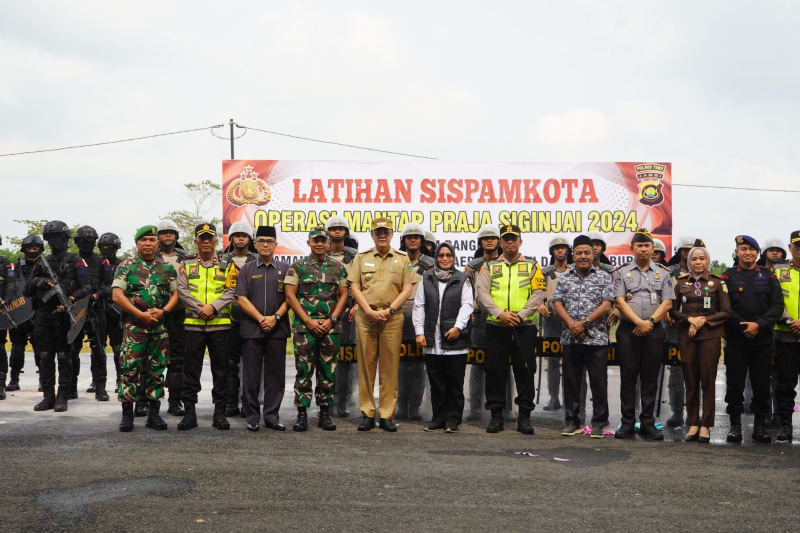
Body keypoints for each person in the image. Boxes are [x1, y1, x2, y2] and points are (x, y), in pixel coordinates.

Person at [476, 224, 546, 435]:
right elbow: (482, 292)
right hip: (497, 325)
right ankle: (496, 416)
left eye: (513, 238)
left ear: (520, 242)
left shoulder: (533, 265)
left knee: (525, 371)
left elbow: (539, 292)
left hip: (524, 326)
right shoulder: (489, 266)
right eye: (506, 238)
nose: (509, 242)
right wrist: (500, 313)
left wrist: (521, 314)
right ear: (500, 242)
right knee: (494, 370)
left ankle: (524, 416)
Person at [347, 217, 415, 432]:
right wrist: (367, 310)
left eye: (386, 232)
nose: (382, 235)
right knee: (366, 367)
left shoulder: (402, 259)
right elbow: (355, 287)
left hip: (392, 318)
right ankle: (367, 413)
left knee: (390, 367)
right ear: (372, 235)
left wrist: (390, 310)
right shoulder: (360, 258)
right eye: (378, 232)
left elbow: (407, 289)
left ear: (392, 234)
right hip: (366, 317)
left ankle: (387, 415)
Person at [112, 225, 179, 432]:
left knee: (157, 371)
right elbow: (117, 295)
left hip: (159, 328)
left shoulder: (167, 268)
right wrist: (139, 314)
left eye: (152, 240)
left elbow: (176, 294)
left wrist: (164, 312)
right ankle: (127, 416)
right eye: (144, 240)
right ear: (137, 243)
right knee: (129, 370)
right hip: (135, 328)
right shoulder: (126, 266)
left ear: (157, 243)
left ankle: (154, 414)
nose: (148, 243)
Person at [284, 227, 349, 432]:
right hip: (305, 328)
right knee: (303, 371)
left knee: (327, 372)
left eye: (323, 240)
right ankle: (302, 414)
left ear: (329, 243)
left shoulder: (338, 267)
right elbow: (290, 296)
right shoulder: (297, 267)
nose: (319, 244)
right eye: (316, 241)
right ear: (309, 243)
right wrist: (308, 321)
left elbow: (343, 295)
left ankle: (325, 414)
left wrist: (331, 320)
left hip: (330, 328)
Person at [612, 229, 674, 440]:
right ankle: (627, 422)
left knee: (650, 377)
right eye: (639, 245)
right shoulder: (621, 272)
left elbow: (667, 302)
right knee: (628, 377)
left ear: (653, 249)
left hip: (654, 330)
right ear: (632, 249)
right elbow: (619, 301)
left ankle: (648, 422)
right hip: (629, 330)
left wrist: (649, 322)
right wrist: (638, 322)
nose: (644, 249)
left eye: (647, 246)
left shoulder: (663, 273)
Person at [721, 235, 783, 443]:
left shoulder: (768, 276)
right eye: (743, 248)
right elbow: (724, 308)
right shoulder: (727, 277)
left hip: (762, 340)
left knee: (761, 386)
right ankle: (735, 427)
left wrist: (759, 325)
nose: (747, 252)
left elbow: (777, 306)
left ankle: (760, 427)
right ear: (736, 252)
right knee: (735, 385)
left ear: (758, 253)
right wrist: (743, 326)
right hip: (736, 341)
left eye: (752, 249)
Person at [24, 220, 90, 413]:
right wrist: (38, 281)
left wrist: (70, 299)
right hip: (43, 314)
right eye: (50, 238)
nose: (53, 241)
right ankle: (48, 396)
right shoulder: (39, 263)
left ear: (64, 239)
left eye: (56, 238)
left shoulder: (75, 261)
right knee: (44, 356)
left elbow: (86, 287)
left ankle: (62, 396)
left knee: (64, 357)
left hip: (64, 315)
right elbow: (27, 290)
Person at [669, 240, 731, 443]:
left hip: (710, 337)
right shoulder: (680, 282)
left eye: (701, 258)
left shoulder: (717, 282)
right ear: (688, 260)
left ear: (707, 260)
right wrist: (689, 320)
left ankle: (706, 425)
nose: (697, 262)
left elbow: (726, 311)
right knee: (691, 381)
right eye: (693, 258)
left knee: (707, 381)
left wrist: (703, 320)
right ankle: (693, 424)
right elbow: (672, 309)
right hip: (687, 337)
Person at [176, 224, 237, 431]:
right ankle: (189, 414)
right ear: (195, 241)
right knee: (191, 370)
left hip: (220, 326)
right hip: (193, 325)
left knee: (221, 371)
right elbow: (182, 291)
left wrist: (213, 307)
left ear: (216, 241)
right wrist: (199, 309)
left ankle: (219, 413)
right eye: (202, 238)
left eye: (210, 238)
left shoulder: (227, 264)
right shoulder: (186, 263)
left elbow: (231, 291)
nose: (206, 242)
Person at [552, 235, 613, 438]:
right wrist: (572, 324)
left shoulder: (603, 276)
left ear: (593, 253)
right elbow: (557, 303)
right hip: (571, 338)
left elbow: (606, 304)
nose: (583, 256)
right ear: (573, 255)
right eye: (579, 253)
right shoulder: (564, 277)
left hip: (596, 339)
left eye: (587, 252)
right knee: (571, 382)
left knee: (598, 383)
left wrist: (584, 323)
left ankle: (598, 422)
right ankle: (572, 421)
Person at [413, 242, 473, 433]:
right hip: (432, 340)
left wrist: (457, 327)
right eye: (441, 255)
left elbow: (467, 306)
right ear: (436, 257)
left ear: (454, 257)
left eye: (448, 255)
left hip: (455, 339)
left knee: (455, 382)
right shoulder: (427, 278)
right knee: (436, 382)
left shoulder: (463, 279)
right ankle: (438, 418)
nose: (444, 259)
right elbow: (419, 306)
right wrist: (419, 332)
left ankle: (453, 420)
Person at [235, 225, 290, 432]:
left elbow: (290, 298)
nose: (265, 244)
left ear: (276, 245)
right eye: (261, 241)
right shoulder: (247, 269)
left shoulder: (285, 269)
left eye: (269, 241)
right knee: (251, 375)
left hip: (278, 329)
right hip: (252, 329)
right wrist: (261, 319)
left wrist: (275, 318)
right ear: (255, 244)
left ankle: (272, 416)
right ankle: (251, 417)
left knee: (276, 376)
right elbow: (241, 298)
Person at [463, 224, 505, 421]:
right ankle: (475, 408)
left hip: (502, 317)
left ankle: (506, 409)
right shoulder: (473, 266)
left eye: (493, 238)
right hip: (478, 318)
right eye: (485, 238)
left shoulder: (506, 262)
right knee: (477, 364)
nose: (489, 241)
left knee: (504, 364)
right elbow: (466, 291)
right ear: (480, 242)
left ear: (499, 241)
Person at [68, 225, 114, 402]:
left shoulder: (102, 262)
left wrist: (96, 295)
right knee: (73, 349)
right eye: (84, 241)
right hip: (76, 310)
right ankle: (71, 387)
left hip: (97, 309)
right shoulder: (72, 260)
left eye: (90, 241)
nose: (87, 244)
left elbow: (111, 285)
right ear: (77, 242)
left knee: (99, 349)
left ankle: (100, 387)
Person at [397, 222, 435, 421]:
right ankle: (401, 405)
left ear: (421, 241)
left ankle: (415, 407)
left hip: (422, 319)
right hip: (398, 318)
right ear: (403, 240)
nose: (412, 240)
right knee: (400, 365)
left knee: (419, 365)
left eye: (416, 237)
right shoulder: (396, 260)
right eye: (409, 237)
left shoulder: (431, 263)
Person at [220, 221, 258, 418]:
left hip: (251, 317)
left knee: (251, 363)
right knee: (231, 362)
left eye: (244, 235)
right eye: (237, 235)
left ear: (250, 239)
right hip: (228, 318)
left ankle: (248, 404)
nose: (241, 238)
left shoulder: (258, 259)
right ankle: (230, 402)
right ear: (232, 238)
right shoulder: (222, 261)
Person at [325, 215, 359, 418]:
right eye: (333, 229)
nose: (337, 232)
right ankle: (327, 401)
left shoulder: (355, 257)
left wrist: (356, 306)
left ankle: (343, 401)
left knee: (346, 361)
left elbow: (360, 283)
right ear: (328, 232)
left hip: (349, 313)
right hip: (326, 312)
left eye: (341, 229)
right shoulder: (320, 252)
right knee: (326, 359)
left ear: (346, 232)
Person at [156, 219, 187, 416]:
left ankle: (175, 401)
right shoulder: (150, 255)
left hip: (179, 314)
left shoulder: (186, 258)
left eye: (171, 232)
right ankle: (146, 400)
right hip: (155, 313)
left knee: (178, 359)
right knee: (152, 357)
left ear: (176, 236)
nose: (168, 235)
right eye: (164, 232)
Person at [538, 236, 572, 412]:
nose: (560, 250)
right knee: (552, 362)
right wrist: (540, 304)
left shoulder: (575, 270)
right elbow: (536, 293)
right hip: (551, 320)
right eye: (557, 248)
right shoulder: (544, 272)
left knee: (570, 361)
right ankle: (553, 398)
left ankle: (569, 398)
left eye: (563, 248)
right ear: (552, 251)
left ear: (567, 250)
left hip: (571, 320)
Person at [7, 236, 44, 393]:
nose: (32, 251)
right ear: (24, 249)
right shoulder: (15, 268)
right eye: (29, 248)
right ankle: (14, 379)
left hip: (37, 313)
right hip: (18, 313)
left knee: (40, 349)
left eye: (35, 249)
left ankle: (44, 379)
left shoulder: (44, 268)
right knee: (16, 347)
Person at [756, 237, 786, 426]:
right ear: (764, 252)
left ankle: (778, 414)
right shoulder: (759, 273)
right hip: (763, 328)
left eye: (778, 250)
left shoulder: (787, 272)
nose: (775, 253)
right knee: (762, 375)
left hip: (784, 330)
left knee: (780, 374)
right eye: (771, 249)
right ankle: (764, 412)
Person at [773, 231, 800, 443]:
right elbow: (774, 301)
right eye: (797, 246)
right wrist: (790, 321)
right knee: (785, 385)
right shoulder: (778, 270)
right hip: (786, 336)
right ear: (790, 248)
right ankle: (785, 426)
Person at [97, 232, 124, 393]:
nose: (106, 249)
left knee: (118, 348)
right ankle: (97, 381)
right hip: (99, 310)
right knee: (98, 348)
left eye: (109, 247)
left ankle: (120, 379)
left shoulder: (123, 265)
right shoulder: (97, 264)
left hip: (116, 312)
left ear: (116, 248)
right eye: (103, 246)